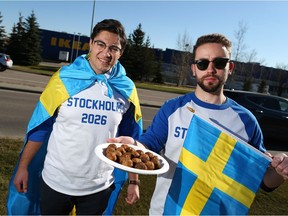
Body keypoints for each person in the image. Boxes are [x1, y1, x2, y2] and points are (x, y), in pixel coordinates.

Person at [108, 33, 288, 215]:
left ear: (230, 67)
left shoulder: (246, 121)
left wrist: (280, 171)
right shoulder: (173, 109)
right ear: (194, 69)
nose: (210, 69)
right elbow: (149, 145)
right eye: (203, 63)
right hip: (167, 211)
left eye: (219, 63)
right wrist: (133, 145)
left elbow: (263, 180)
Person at [7, 19, 143, 215]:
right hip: (56, 183)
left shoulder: (127, 89)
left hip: (99, 187)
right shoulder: (64, 79)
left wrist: (134, 181)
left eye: (113, 48)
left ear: (120, 53)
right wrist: (23, 167)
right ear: (91, 43)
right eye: (101, 44)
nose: (106, 53)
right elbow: (41, 128)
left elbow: (132, 141)